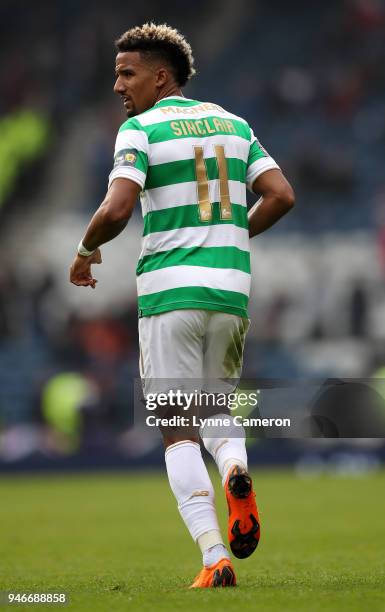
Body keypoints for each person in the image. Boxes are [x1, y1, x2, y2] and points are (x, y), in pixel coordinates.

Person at [70, 22, 295, 588]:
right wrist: (229, 239)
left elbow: (118, 210)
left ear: (160, 76)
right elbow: (281, 195)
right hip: (230, 291)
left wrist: (84, 251)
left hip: (171, 292)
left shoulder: (139, 131)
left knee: (177, 427)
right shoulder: (234, 124)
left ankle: (214, 556)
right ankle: (238, 469)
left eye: (128, 74)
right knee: (216, 406)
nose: (119, 86)